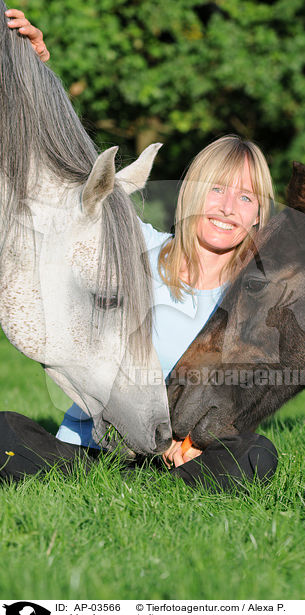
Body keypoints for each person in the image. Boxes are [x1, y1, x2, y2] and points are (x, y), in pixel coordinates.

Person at [1, 10, 278, 491]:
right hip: (88, 446)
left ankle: (155, 485)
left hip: (178, 454)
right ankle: (100, 478)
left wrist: (199, 437)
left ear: (258, 214)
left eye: (246, 197)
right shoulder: (136, 248)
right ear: (192, 193)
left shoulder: (254, 300)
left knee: (256, 453)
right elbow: (73, 202)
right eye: (217, 190)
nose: (228, 208)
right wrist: (33, 72)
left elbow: (242, 399)